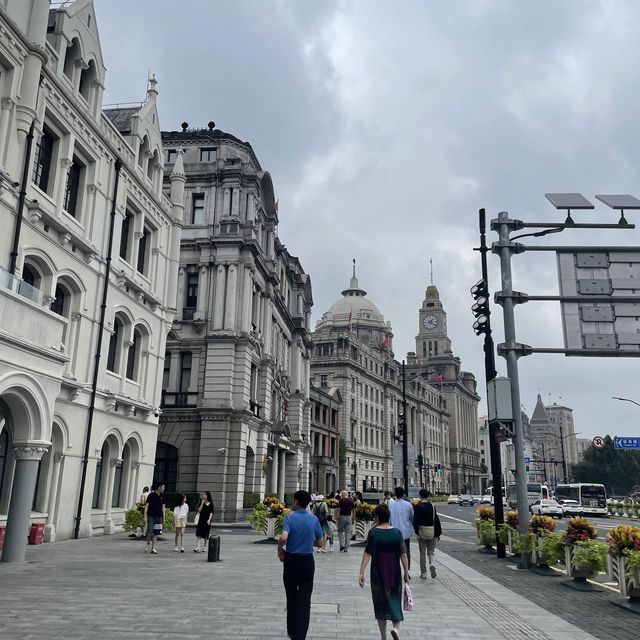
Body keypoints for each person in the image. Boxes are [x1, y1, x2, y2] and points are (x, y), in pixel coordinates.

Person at [358, 503, 410, 640]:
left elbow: (367, 553)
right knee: (394, 600)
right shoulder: (397, 533)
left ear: (377, 517)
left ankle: (383, 637)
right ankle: (396, 629)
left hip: (377, 572)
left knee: (380, 603)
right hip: (394, 572)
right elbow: (403, 555)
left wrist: (361, 572)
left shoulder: (374, 532)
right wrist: (406, 572)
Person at [277, 489, 324, 640]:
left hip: (291, 560)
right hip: (307, 561)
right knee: (305, 599)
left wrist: (280, 550)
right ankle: (300, 635)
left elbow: (284, 537)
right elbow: (320, 542)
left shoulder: (289, 518)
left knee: (291, 597)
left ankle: (291, 631)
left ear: (296, 502)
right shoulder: (314, 520)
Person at [413, 488, 442, 579]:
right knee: (431, 552)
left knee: (422, 553)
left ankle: (424, 573)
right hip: (432, 531)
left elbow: (416, 521)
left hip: (422, 531)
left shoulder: (417, 507)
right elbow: (436, 520)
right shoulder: (432, 506)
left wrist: (416, 532)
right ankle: (432, 564)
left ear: (420, 496)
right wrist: (438, 533)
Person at [389, 487, 414, 569]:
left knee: (395, 552)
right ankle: (407, 569)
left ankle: (395, 568)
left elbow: (389, 519)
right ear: (403, 494)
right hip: (405, 532)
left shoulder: (391, 505)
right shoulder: (408, 504)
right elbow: (412, 517)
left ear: (395, 494)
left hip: (394, 532)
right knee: (406, 552)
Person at [143, 483, 165, 555]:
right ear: (159, 487)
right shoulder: (151, 495)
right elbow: (147, 505)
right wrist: (145, 516)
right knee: (150, 530)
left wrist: (164, 517)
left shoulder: (162, 496)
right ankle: (148, 543)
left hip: (159, 516)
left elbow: (163, 507)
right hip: (151, 515)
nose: (163, 488)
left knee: (156, 532)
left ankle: (153, 548)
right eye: (163, 487)